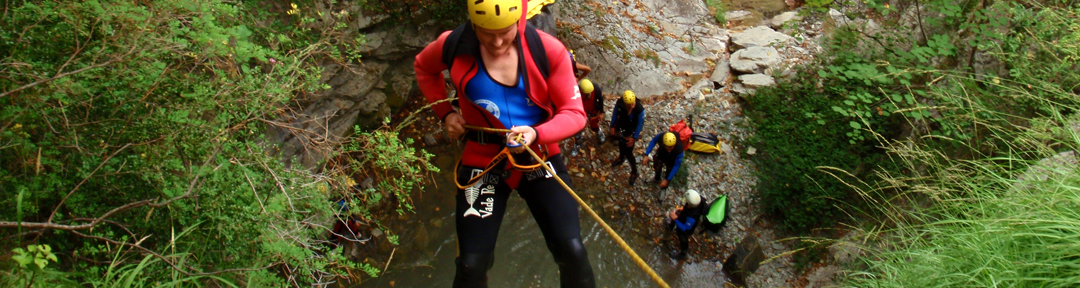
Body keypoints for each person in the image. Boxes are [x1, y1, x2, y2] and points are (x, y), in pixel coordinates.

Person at [413, 0, 595, 287]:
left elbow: (574, 114)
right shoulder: (454, 44)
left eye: (506, 32)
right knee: (471, 265)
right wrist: (445, 114)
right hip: (483, 156)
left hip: (537, 153)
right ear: (474, 24)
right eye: (487, 32)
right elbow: (424, 67)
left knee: (572, 251)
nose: (497, 42)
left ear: (520, 21)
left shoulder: (547, 51)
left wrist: (536, 133)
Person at [609, 90, 645, 185]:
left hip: (631, 131)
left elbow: (640, 124)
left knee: (629, 152)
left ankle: (634, 172)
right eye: (630, 104)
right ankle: (621, 158)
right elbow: (615, 114)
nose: (633, 105)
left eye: (633, 103)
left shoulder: (639, 109)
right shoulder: (620, 104)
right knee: (621, 144)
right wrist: (612, 126)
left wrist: (634, 137)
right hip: (622, 126)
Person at [667, 189, 705, 260]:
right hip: (685, 215)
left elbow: (685, 228)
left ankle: (683, 253)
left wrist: (675, 219)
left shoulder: (692, 217)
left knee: (682, 236)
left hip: (686, 228)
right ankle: (670, 226)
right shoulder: (698, 201)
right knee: (677, 215)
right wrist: (682, 209)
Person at [570, 79, 605, 157]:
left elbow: (600, 100)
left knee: (594, 125)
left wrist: (601, 112)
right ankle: (578, 144)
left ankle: (599, 132)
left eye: (590, 93)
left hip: (593, 110)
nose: (589, 95)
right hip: (582, 112)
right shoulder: (576, 93)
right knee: (578, 130)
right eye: (587, 94)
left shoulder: (596, 89)